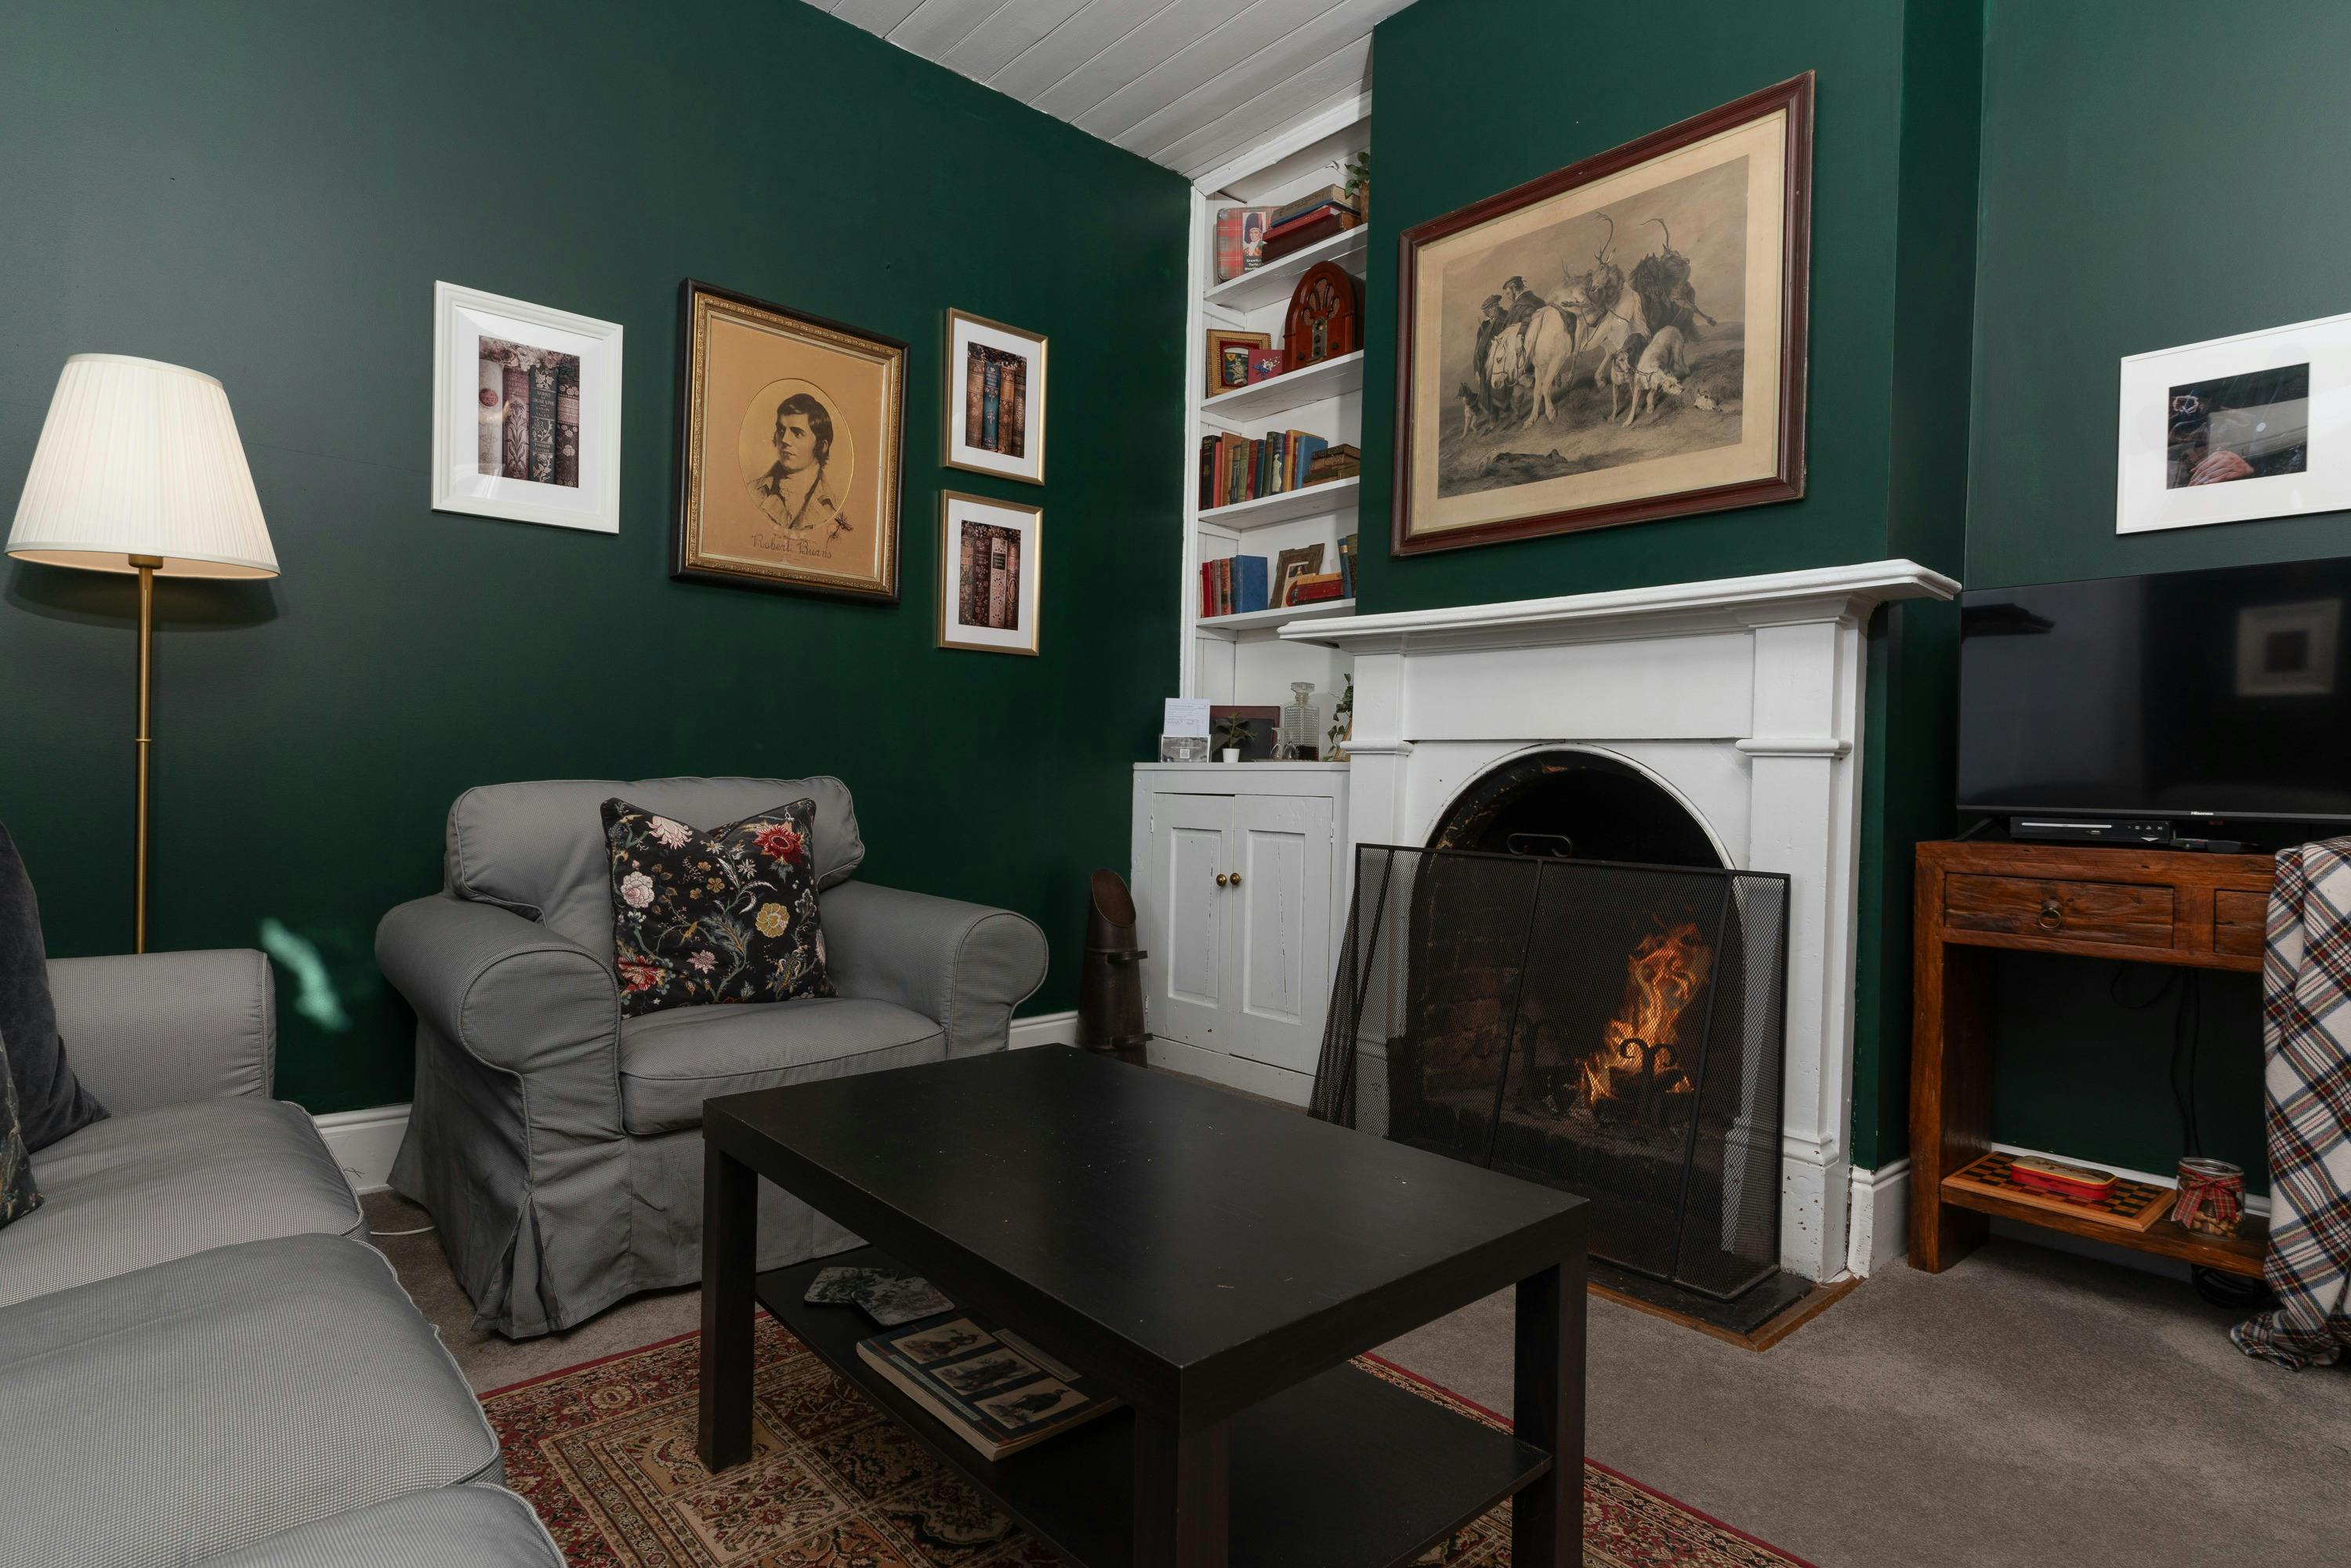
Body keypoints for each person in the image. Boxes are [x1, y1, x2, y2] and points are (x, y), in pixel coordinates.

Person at [747, 393, 848, 535]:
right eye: (781, 430)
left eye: (797, 433)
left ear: (821, 446)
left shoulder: (834, 508)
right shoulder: (752, 492)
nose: (785, 440)